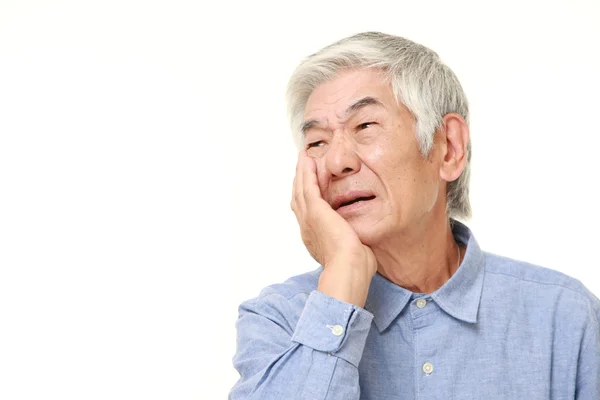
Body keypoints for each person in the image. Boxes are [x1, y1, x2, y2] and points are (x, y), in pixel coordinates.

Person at [228, 32, 600, 399]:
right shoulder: (277, 320)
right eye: (317, 142)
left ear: (448, 148)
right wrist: (341, 278)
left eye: (365, 126)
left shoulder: (563, 317)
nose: (337, 162)